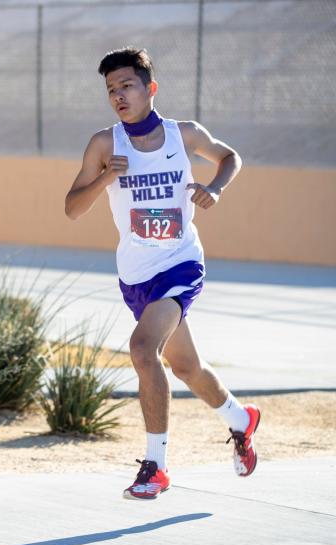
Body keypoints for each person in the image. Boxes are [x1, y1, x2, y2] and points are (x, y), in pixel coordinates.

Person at [64, 47, 260, 500]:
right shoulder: (103, 144)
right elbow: (72, 208)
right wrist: (102, 180)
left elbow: (229, 157)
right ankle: (240, 419)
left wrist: (213, 187)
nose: (118, 95)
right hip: (135, 274)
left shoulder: (183, 134)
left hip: (181, 263)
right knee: (187, 366)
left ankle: (156, 466)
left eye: (127, 85)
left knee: (142, 348)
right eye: (111, 89)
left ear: (150, 88)